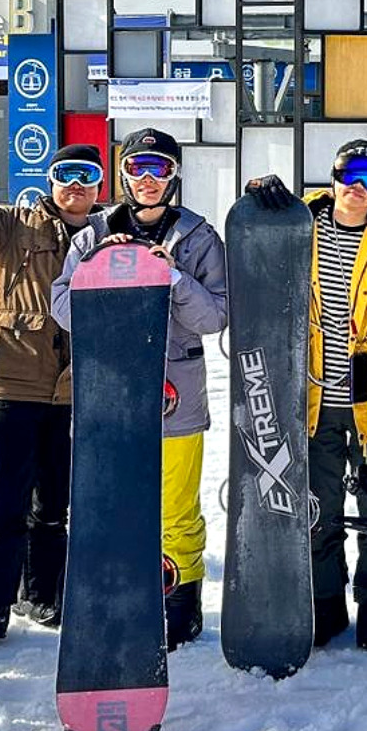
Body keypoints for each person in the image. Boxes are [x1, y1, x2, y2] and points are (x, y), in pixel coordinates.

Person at [50, 127, 228, 651]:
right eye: (137, 168)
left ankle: (181, 601)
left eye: (160, 168)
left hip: (176, 389)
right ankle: (121, 595)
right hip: (112, 392)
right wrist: (102, 270)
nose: (149, 180)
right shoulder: (92, 234)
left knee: (175, 506)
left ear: (174, 175)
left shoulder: (197, 237)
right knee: (113, 502)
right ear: (123, 173)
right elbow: (63, 310)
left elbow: (216, 315)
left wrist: (173, 279)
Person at [0, 101, 103, 637]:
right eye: (65, 175)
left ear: (100, 186)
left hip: (73, 391)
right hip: (10, 381)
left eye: (87, 175)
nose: (75, 185)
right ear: (50, 182)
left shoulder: (109, 238)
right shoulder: (13, 226)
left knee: (54, 505)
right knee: (2, 504)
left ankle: (43, 595)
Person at [242, 142, 367, 650]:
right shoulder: (301, 219)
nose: (357, 187)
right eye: (349, 174)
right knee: (317, 505)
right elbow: (258, 252)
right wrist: (258, 197)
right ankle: (324, 603)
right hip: (314, 399)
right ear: (333, 174)